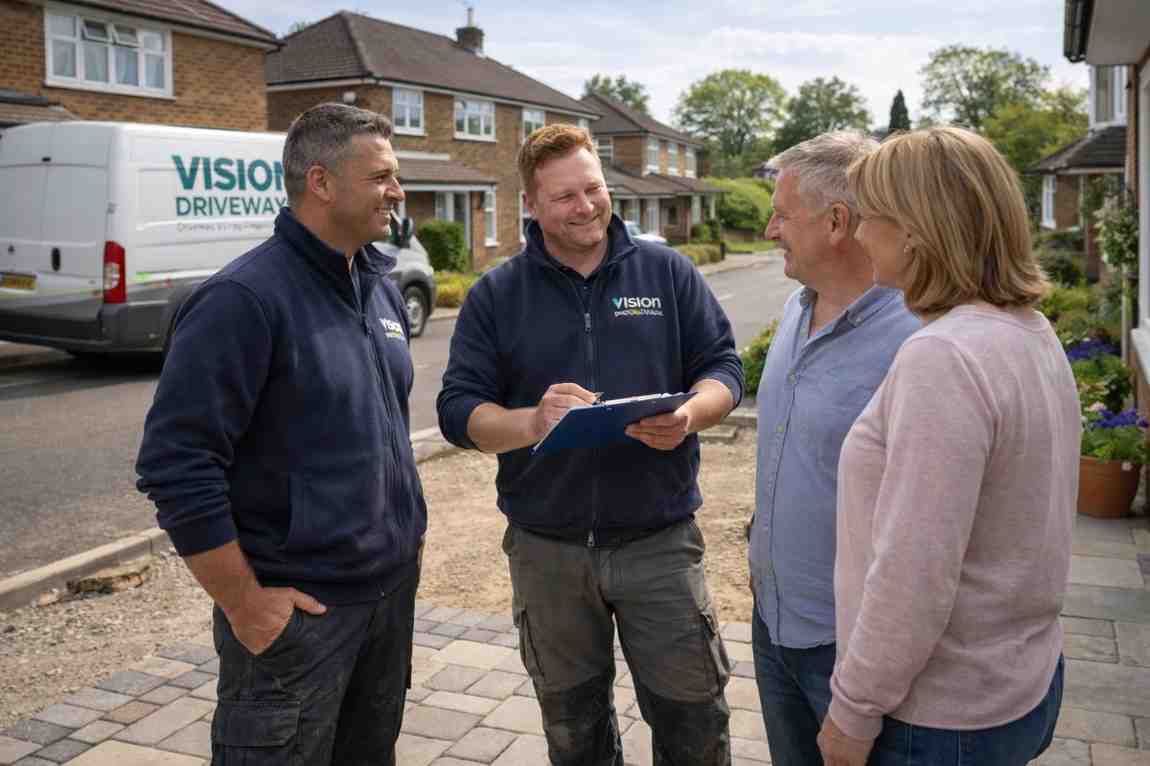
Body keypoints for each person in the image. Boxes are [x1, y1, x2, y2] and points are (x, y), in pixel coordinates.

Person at [437, 124, 743, 765]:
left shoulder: (666, 273)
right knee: (574, 732)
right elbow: (458, 411)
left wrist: (690, 415)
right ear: (530, 205)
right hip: (548, 550)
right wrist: (531, 423)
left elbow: (723, 369)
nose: (587, 207)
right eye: (564, 197)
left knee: (694, 724)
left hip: (660, 542)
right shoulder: (497, 294)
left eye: (594, 189)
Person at [136, 103, 426, 766]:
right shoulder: (243, 300)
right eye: (381, 175)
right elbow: (176, 466)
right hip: (298, 620)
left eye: (396, 175)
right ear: (321, 183)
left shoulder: (376, 285)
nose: (398, 190)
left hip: (386, 604)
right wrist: (245, 603)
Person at [816, 126, 1079, 766]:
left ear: (914, 229)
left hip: (938, 716)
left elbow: (914, 571)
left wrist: (852, 711)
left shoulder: (944, 358)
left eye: (869, 217)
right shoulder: (1027, 330)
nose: (856, 234)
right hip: (1018, 682)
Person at [747, 131, 920, 766]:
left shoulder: (917, 340)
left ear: (838, 222)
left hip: (849, 653)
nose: (769, 229)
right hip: (773, 625)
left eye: (782, 214)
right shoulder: (796, 310)